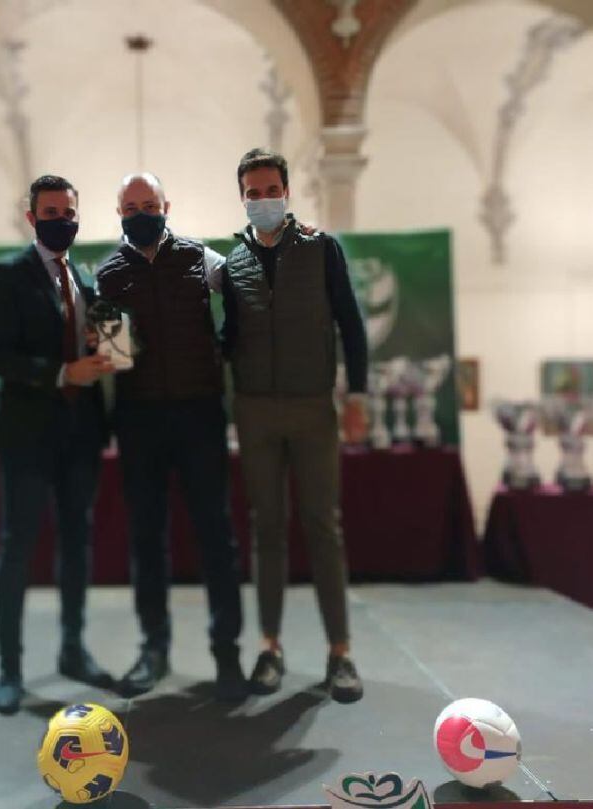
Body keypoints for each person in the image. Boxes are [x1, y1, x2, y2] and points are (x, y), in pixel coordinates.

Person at [220, 148, 368, 704]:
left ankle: (341, 653)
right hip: (255, 409)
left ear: (287, 190)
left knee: (323, 526)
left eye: (270, 190)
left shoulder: (322, 249)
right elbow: (228, 338)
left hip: (312, 408)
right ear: (242, 198)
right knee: (267, 528)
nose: (262, 201)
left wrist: (356, 396)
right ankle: (270, 647)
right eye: (252, 193)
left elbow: (351, 324)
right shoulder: (232, 262)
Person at [96, 173, 246, 702]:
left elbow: (248, 290)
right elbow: (113, 357)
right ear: (118, 211)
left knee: (216, 537)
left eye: (149, 203)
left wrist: (225, 351)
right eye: (131, 205)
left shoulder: (201, 259)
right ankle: (152, 650)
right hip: (138, 421)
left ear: (167, 206)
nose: (141, 211)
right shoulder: (107, 275)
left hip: (201, 414)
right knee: (147, 539)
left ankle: (227, 654)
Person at [0, 175, 116, 715]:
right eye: (51, 210)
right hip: (26, 434)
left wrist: (111, 344)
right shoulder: (9, 276)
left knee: (77, 544)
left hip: (81, 434)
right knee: (17, 547)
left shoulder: (85, 278)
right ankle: (10, 669)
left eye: (69, 211)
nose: (62, 218)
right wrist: (64, 371)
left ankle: (72, 650)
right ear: (31, 216)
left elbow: (111, 351)